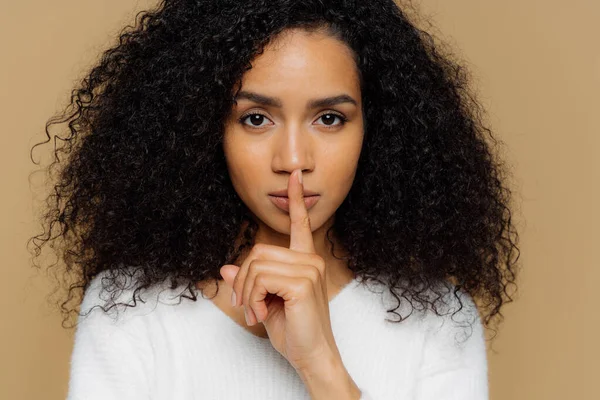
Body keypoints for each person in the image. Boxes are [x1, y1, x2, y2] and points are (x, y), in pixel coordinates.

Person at [29, 0, 520, 399]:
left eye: (329, 118)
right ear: (203, 129)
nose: (293, 160)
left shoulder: (437, 322)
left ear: (380, 130)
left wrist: (323, 366)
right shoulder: (130, 311)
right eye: (256, 118)